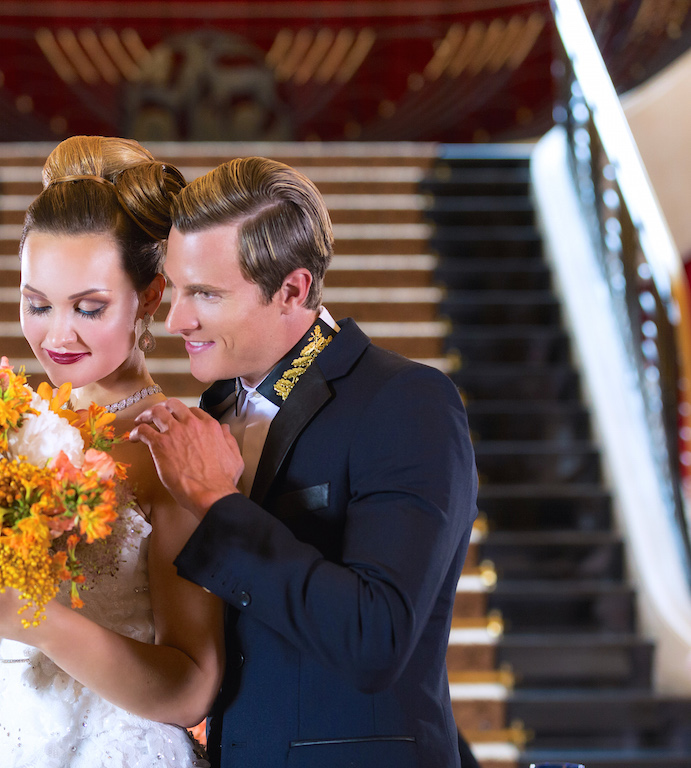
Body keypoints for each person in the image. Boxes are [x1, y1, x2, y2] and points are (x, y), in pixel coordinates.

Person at [131, 156, 479, 768]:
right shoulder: (214, 407)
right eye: (176, 287)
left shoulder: (405, 401)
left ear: (291, 290)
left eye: (205, 294)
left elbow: (377, 640)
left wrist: (217, 503)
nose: (175, 318)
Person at [0, 136, 224, 767]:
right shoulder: (7, 426)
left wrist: (30, 618)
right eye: (36, 304)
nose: (57, 335)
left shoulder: (169, 444)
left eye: (88, 308)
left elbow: (192, 687)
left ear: (149, 296)